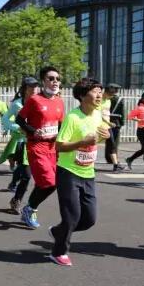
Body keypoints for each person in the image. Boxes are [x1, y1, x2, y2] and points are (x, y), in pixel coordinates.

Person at [48, 78, 110, 266]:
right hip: (68, 172)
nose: (99, 94)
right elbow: (59, 146)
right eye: (95, 91)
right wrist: (82, 142)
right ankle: (59, 252)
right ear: (82, 95)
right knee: (71, 216)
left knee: (89, 219)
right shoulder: (73, 117)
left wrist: (104, 136)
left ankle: (59, 231)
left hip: (88, 173)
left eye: (101, 90)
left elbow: (95, 139)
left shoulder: (98, 115)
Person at [16, 67, 65, 229]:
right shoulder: (35, 100)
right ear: (44, 81)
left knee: (52, 183)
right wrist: (33, 131)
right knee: (49, 182)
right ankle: (30, 209)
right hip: (36, 146)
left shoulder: (59, 101)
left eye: (57, 78)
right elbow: (20, 119)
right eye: (51, 78)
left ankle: (29, 207)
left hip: (53, 148)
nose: (55, 81)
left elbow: (61, 124)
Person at [0, 77, 40, 215]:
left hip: (38, 143)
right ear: (24, 89)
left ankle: (14, 183)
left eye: (36, 87)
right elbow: (5, 119)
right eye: (31, 87)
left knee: (25, 171)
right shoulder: (17, 104)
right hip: (22, 142)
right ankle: (17, 200)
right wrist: (17, 127)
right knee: (27, 175)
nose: (34, 89)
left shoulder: (40, 102)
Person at [101, 84, 125, 172]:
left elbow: (107, 113)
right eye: (110, 94)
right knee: (92, 144)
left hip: (107, 126)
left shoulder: (108, 101)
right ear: (105, 92)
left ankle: (116, 164)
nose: (111, 96)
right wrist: (108, 122)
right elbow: (98, 114)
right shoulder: (99, 101)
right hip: (100, 125)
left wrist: (109, 123)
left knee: (112, 144)